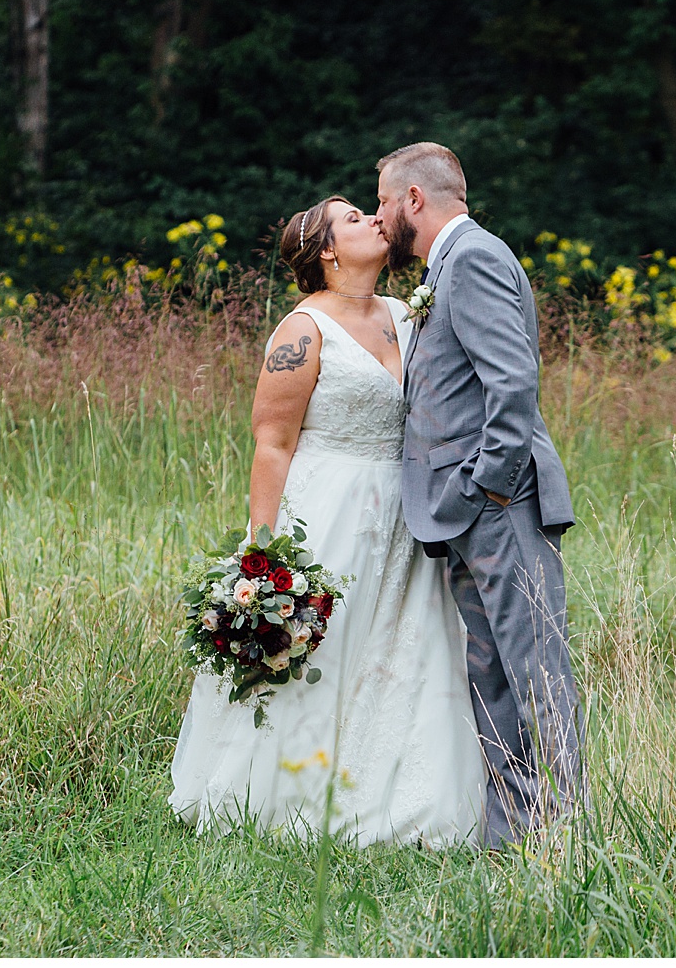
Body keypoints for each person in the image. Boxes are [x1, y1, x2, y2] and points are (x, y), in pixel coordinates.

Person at [169, 197, 484, 845]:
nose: (375, 218)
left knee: (407, 645)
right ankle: (277, 791)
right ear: (327, 251)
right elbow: (272, 440)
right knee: (326, 646)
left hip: (405, 510)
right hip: (327, 509)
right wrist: (263, 553)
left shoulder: (406, 313)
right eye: (352, 218)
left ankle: (397, 796)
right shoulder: (302, 330)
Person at [374, 141, 583, 846]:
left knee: (536, 673)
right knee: (494, 677)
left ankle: (569, 838)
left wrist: (486, 486)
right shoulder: (447, 266)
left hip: (501, 507)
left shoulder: (477, 256)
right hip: (467, 516)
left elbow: (513, 381)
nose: (379, 218)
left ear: (413, 199)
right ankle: (514, 837)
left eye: (382, 201)